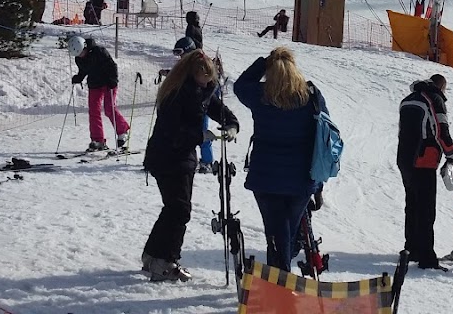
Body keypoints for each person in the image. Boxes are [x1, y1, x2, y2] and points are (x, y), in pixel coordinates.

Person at [141, 49, 239, 282]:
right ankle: (165, 261)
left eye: (209, 76)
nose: (207, 81)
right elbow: (173, 131)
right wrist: (200, 135)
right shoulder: (176, 93)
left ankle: (153, 255)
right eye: (203, 76)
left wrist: (231, 123)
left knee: (173, 208)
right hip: (167, 157)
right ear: (191, 74)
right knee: (179, 210)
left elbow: (215, 107)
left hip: (182, 158)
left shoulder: (201, 89)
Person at [232, 47, 327, 271]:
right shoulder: (310, 95)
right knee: (289, 229)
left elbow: (239, 86)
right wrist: (319, 185)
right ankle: (282, 269)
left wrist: (262, 63)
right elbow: (323, 138)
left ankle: (280, 276)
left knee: (275, 230)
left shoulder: (260, 95)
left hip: (266, 178)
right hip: (301, 178)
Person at [397, 74, 453, 268]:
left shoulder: (407, 100)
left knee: (412, 204)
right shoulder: (434, 99)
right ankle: (426, 257)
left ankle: (411, 248)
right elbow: (441, 129)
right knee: (425, 209)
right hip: (424, 160)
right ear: (441, 86)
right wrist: (451, 154)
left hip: (404, 158)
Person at [70, 35, 130, 152]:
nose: (80, 56)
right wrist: (79, 77)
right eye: (78, 55)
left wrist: (113, 79)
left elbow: (112, 65)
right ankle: (98, 140)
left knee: (109, 108)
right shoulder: (79, 58)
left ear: (85, 47)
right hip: (94, 84)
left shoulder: (99, 51)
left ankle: (123, 131)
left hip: (108, 83)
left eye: (81, 52)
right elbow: (84, 70)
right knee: (94, 111)